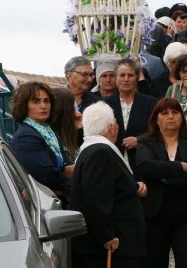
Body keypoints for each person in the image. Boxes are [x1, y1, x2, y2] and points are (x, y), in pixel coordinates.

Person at [71, 101, 147, 268]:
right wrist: (106, 236)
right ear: (112, 128)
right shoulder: (100, 152)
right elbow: (95, 199)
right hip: (114, 248)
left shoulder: (92, 150)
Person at [136, 98, 187, 268]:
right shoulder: (145, 142)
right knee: (155, 263)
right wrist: (180, 167)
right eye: (165, 113)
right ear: (156, 118)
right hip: (155, 217)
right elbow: (146, 165)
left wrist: (164, 179)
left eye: (175, 113)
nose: (170, 117)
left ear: (182, 118)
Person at [11, 82, 73, 205]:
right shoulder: (26, 136)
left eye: (47, 101)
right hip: (45, 206)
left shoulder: (47, 131)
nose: (43, 106)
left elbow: (64, 165)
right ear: (24, 106)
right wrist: (72, 183)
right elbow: (47, 177)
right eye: (36, 101)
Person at [105, 58, 158, 178]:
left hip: (143, 165)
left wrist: (141, 141)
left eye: (130, 75)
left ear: (137, 78)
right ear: (116, 78)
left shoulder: (151, 103)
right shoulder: (104, 105)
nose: (126, 79)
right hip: (113, 165)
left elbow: (160, 133)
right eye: (122, 75)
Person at [50, 87, 81, 164]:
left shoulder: (66, 135)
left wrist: (76, 129)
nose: (77, 113)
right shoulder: (53, 140)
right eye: (73, 108)